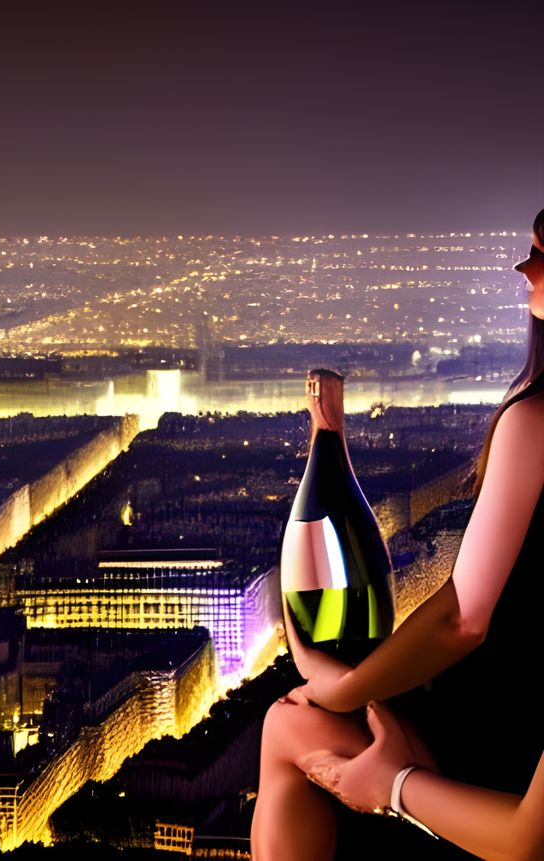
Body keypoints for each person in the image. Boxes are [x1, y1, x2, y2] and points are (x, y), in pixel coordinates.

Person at [251, 207, 544, 861]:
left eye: (542, 254)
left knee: (288, 728)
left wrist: (392, 779)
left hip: (504, 755)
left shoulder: (535, 423)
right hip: (511, 733)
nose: (525, 270)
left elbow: (464, 617)